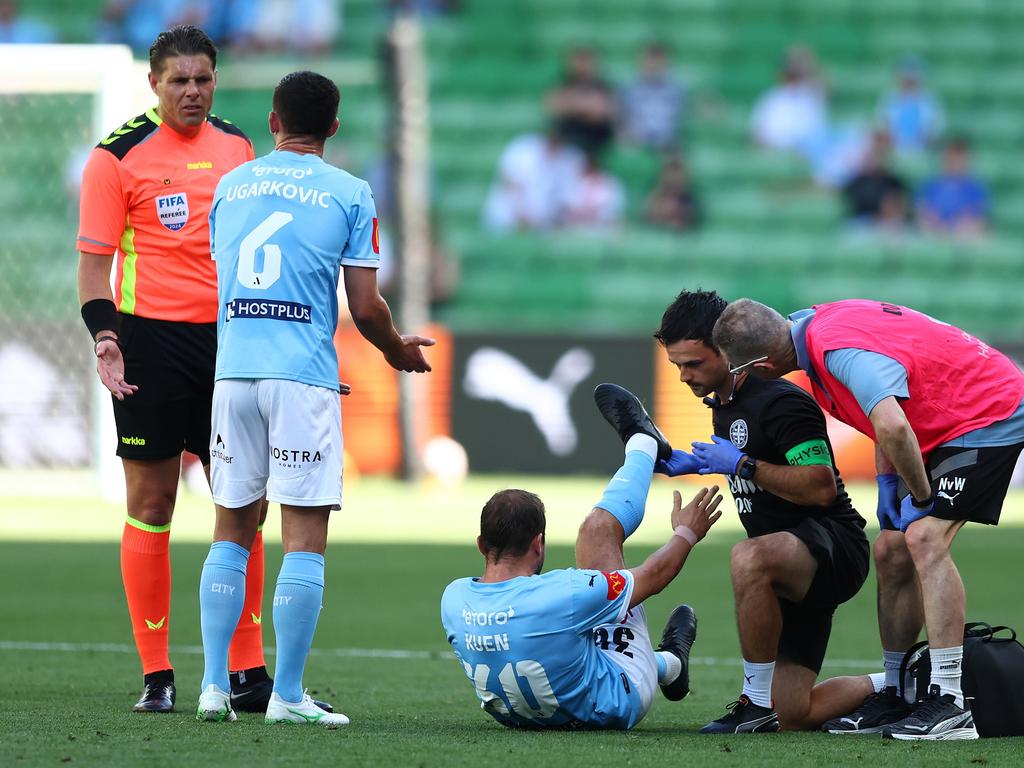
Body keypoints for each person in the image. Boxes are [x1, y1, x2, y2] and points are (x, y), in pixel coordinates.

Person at [196, 70, 434, 727]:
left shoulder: (231, 184)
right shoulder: (350, 192)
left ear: (273, 121)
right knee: (303, 538)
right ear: (333, 126)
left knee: (231, 529)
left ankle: (214, 687)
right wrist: (396, 351)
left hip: (233, 374)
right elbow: (364, 306)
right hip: (300, 378)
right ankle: (289, 696)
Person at [76, 25, 279, 715]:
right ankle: (156, 673)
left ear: (216, 79)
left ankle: (248, 669)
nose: (192, 92)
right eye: (179, 81)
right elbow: (92, 266)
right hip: (149, 344)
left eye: (203, 80)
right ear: (154, 84)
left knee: (244, 503)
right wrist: (106, 336)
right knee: (153, 503)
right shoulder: (116, 158)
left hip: (231, 342)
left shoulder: (239, 147)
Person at [713, 298, 1024, 740]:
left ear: (762, 365)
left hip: (989, 414)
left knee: (923, 538)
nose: (740, 377)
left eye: (741, 369)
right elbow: (888, 414)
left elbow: (895, 426)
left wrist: (917, 493)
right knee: (890, 548)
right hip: (947, 418)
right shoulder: (810, 327)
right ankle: (897, 690)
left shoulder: (838, 352)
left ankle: (951, 702)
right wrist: (885, 482)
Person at [653, 289, 873, 733]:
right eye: (677, 365)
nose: (683, 377)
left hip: (833, 546)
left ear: (726, 351)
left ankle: (754, 704)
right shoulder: (725, 405)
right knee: (797, 713)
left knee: (747, 556)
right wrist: (700, 463)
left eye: (693, 363)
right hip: (788, 563)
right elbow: (757, 460)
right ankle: (905, 684)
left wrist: (740, 465)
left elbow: (820, 487)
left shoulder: (781, 400)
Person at [441, 384, 723, 729]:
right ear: (538, 544)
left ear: (482, 545)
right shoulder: (564, 594)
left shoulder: (453, 598)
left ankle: (671, 665)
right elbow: (654, 576)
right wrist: (687, 532)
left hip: (520, 719)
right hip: (615, 703)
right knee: (597, 532)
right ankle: (644, 442)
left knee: (573, 633)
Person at [482, 127, 584, 232]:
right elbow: (509, 182)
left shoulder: (570, 158)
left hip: (541, 226)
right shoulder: (523, 149)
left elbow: (566, 198)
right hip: (507, 222)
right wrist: (523, 215)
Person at [545, 46, 617, 157]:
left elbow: (603, 111)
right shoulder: (563, 83)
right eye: (579, 60)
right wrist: (588, 105)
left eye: (586, 60)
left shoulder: (603, 85)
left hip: (596, 135)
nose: (582, 65)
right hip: (570, 133)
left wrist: (572, 103)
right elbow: (553, 107)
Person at [618, 42, 688, 150]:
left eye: (658, 60)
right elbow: (621, 118)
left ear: (666, 63)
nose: (653, 65)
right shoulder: (628, 89)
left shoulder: (678, 90)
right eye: (650, 60)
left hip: (669, 144)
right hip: (635, 144)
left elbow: (683, 119)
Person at [916, 136, 990, 237]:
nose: (956, 162)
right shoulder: (931, 185)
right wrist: (936, 222)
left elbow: (976, 213)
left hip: (962, 231)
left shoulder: (975, 188)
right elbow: (923, 208)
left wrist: (956, 225)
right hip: (935, 228)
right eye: (952, 157)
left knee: (975, 227)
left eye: (960, 158)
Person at [877, 57, 944, 154]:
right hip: (893, 151)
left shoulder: (931, 100)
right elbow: (882, 125)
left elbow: (938, 126)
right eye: (906, 79)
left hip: (924, 150)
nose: (909, 82)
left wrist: (928, 136)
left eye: (913, 79)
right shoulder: (888, 100)